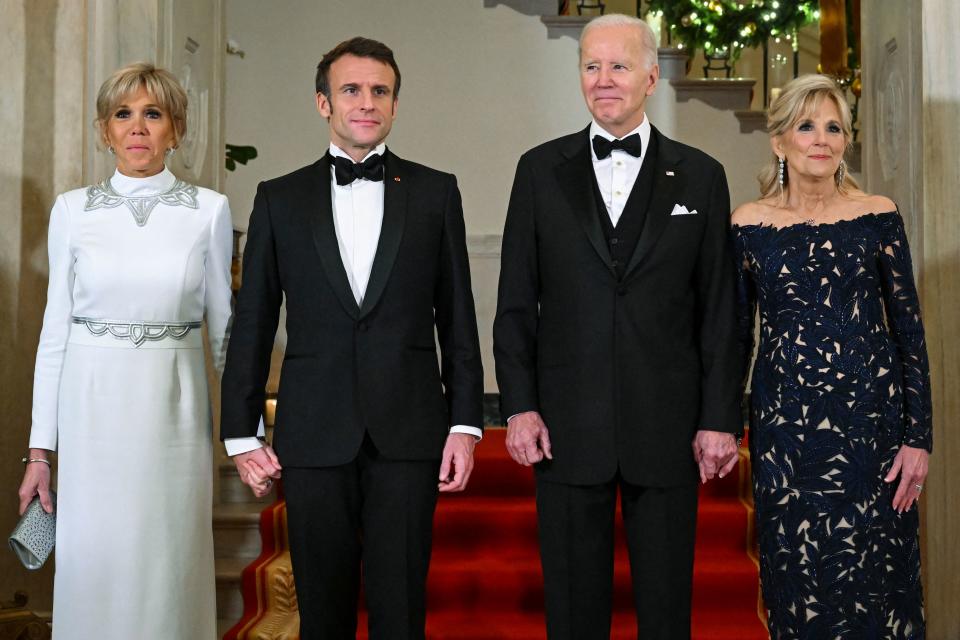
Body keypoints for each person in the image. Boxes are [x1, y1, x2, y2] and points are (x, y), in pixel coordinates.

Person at [220, 37, 484, 639]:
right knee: (322, 612)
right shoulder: (279, 198)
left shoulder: (436, 192)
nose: (366, 102)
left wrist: (466, 425)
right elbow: (254, 321)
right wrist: (241, 431)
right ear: (323, 102)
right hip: (313, 432)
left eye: (379, 91)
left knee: (401, 612)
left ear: (394, 103)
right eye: (351, 90)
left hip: (410, 429)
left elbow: (458, 318)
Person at [493, 14, 742, 640]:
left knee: (665, 614)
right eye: (591, 66)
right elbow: (517, 303)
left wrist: (719, 417)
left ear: (652, 76)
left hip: (669, 427)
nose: (603, 80)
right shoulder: (538, 170)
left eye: (619, 66)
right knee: (573, 613)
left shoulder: (703, 176)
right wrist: (519, 407)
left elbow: (720, 310)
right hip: (566, 428)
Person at [16, 62, 231, 639]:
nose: (138, 127)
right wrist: (40, 454)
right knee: (97, 566)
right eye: (123, 114)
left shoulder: (209, 210)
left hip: (175, 414)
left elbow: (223, 335)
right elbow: (54, 337)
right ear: (105, 130)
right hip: (91, 417)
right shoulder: (72, 210)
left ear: (175, 130)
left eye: (153, 114)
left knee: (169, 563)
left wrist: (242, 432)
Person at [732, 73, 930, 638]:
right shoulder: (747, 224)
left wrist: (919, 438)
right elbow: (736, 338)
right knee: (797, 587)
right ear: (779, 142)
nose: (821, 138)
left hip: (873, 436)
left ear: (845, 141)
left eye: (834, 127)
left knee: (879, 587)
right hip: (786, 439)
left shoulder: (877, 214)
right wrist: (724, 424)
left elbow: (909, 334)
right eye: (806, 125)